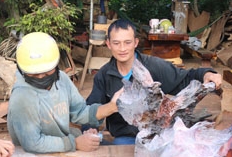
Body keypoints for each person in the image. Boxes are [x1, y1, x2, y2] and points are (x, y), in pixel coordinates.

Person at [85, 19, 222, 144]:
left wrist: (207, 73)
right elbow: (91, 108)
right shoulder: (104, 75)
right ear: (108, 44)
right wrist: (90, 128)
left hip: (159, 134)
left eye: (127, 42)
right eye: (116, 43)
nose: (122, 49)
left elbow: (184, 77)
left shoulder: (153, 66)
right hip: (127, 137)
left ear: (136, 43)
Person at [7, 32, 121, 153]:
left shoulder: (61, 79)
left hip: (62, 148)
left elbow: (79, 111)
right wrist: (75, 143)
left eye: (46, 71)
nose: (41, 77)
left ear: (56, 64)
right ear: (21, 69)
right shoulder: (22, 96)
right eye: (34, 73)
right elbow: (33, 143)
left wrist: (110, 107)